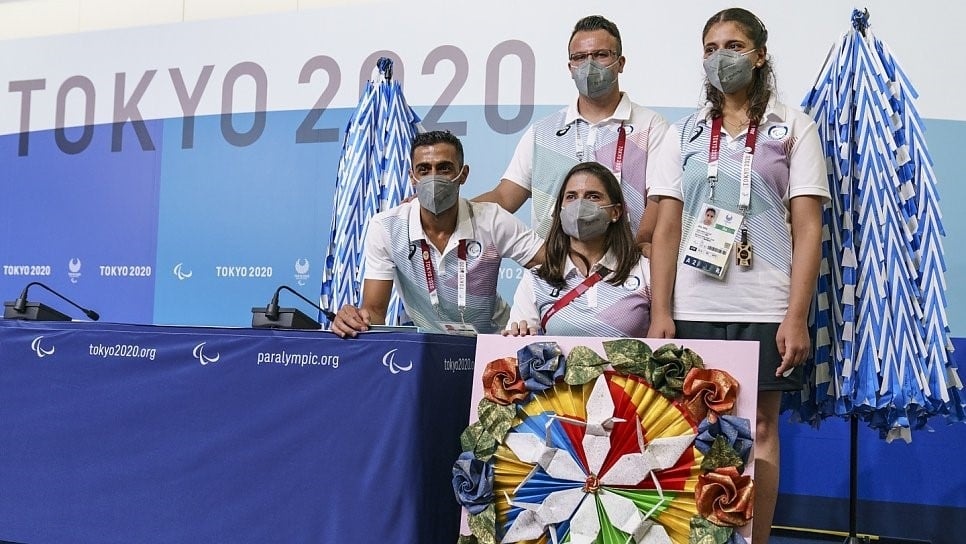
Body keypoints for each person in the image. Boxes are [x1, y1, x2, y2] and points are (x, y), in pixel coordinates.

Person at [646, 8, 829, 543]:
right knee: (692, 427)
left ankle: (758, 538)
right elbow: (666, 227)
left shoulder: (792, 125)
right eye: (710, 47)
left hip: (766, 304)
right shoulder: (684, 131)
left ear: (760, 54)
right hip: (693, 304)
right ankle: (695, 533)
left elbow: (808, 227)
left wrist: (796, 316)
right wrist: (661, 311)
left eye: (733, 45)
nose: (720, 57)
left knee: (763, 427)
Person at [473, 15, 679, 250]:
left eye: (601, 55)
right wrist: (452, 211)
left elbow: (659, 200)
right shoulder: (542, 132)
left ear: (620, 63)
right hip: (553, 273)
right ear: (570, 68)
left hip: (624, 274)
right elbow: (503, 198)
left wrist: (638, 247)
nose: (589, 65)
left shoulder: (651, 126)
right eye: (580, 57)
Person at [332, 131, 544, 338]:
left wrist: (527, 315)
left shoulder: (492, 219)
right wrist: (354, 321)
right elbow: (374, 310)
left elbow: (554, 266)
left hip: (494, 342)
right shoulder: (386, 227)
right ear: (412, 177)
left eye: (444, 169)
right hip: (430, 347)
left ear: (463, 174)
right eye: (424, 170)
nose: (433, 179)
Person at [504, 161, 650, 337]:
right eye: (571, 197)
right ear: (560, 210)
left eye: (593, 196)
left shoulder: (645, 269)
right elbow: (520, 348)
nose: (579, 205)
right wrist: (517, 336)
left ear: (616, 212)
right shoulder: (536, 279)